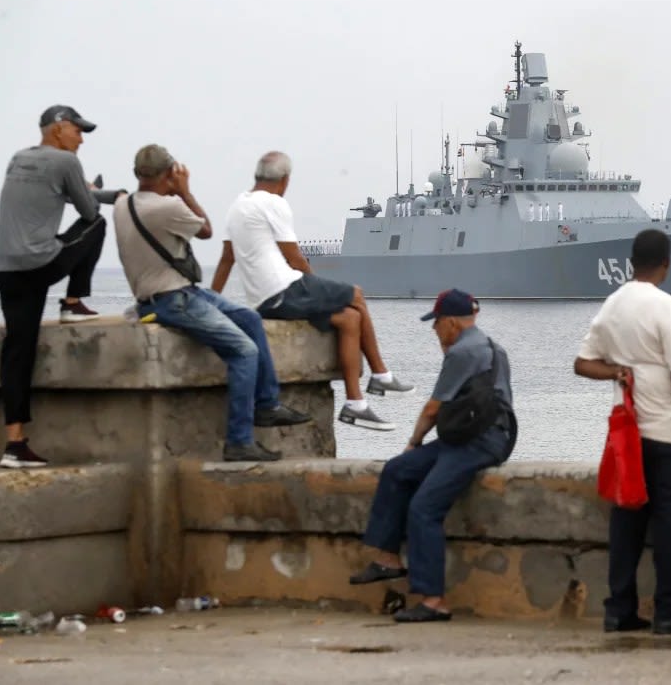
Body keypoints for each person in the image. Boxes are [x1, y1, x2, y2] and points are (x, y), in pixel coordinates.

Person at [114, 144, 311, 462]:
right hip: (172, 300)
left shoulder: (124, 205)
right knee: (244, 351)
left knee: (249, 319)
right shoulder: (167, 208)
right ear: (169, 174)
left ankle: (267, 404)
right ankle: (239, 440)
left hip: (170, 293)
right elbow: (205, 229)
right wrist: (185, 191)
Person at [574, 229, 671, 636]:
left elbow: (582, 364)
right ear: (666, 263)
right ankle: (670, 611)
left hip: (630, 434)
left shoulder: (613, 304)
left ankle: (619, 610)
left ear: (631, 260)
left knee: (627, 525)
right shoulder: (664, 306)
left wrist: (619, 371)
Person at [210, 151, 412, 429]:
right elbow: (295, 259)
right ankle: (381, 374)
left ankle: (356, 404)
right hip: (285, 289)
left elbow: (226, 260)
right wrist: (319, 293)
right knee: (355, 294)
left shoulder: (237, 207)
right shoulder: (273, 203)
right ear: (285, 179)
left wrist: (213, 302)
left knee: (350, 319)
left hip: (264, 301)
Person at [348, 289, 515, 622]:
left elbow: (433, 407)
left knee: (424, 508)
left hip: (479, 442)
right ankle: (388, 560)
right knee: (398, 470)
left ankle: (433, 600)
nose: (434, 330)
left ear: (451, 322)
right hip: (478, 436)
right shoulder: (493, 348)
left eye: (436, 324)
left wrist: (414, 441)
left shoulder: (462, 353)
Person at [0, 105, 119, 468]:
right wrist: (100, 193)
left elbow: (45, 193)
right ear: (59, 129)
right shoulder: (67, 163)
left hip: (6, 269)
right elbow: (89, 211)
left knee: (18, 349)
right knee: (96, 227)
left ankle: (14, 445)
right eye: (78, 131)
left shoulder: (19, 159)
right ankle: (73, 302)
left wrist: (86, 190)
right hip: (40, 264)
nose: (80, 139)